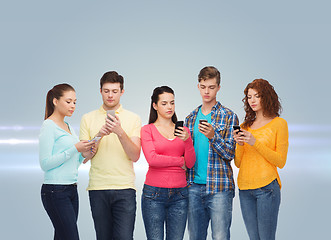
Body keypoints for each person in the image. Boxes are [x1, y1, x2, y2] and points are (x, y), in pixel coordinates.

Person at [79, 71, 141, 240]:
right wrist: (99, 135)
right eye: (106, 91)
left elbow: (135, 155)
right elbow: (85, 155)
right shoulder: (88, 118)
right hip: (98, 188)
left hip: (125, 188)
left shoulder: (133, 118)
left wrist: (120, 132)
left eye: (114, 91)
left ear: (122, 92)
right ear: (100, 91)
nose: (110, 95)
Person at [185, 66, 239, 240]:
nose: (206, 91)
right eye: (203, 86)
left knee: (220, 237)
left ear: (218, 88)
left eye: (211, 87)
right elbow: (186, 154)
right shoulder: (190, 118)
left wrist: (213, 136)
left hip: (220, 189)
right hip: (193, 187)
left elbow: (230, 153)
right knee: (195, 237)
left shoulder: (229, 116)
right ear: (198, 86)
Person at [233, 79, 289, 240]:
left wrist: (255, 143)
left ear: (266, 97)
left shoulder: (279, 124)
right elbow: (238, 162)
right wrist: (240, 144)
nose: (252, 100)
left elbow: (281, 161)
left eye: (257, 96)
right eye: (249, 97)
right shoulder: (244, 126)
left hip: (267, 189)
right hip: (244, 189)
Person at [39, 83, 95, 240]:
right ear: (55, 101)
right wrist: (75, 149)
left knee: (62, 236)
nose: (73, 106)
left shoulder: (68, 126)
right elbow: (45, 163)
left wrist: (85, 154)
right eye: (68, 101)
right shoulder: (48, 126)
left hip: (71, 189)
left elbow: (73, 161)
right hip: (54, 191)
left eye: (75, 102)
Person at [141, 86, 196, 240]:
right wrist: (179, 161)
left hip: (180, 194)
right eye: (164, 103)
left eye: (172, 103)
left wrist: (188, 141)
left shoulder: (184, 131)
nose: (169, 107)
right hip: (154, 194)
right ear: (155, 105)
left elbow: (190, 164)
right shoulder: (147, 130)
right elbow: (152, 159)